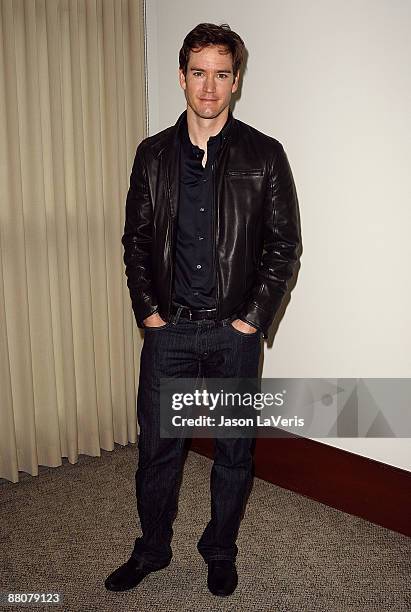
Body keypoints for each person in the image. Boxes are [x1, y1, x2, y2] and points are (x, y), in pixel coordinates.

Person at [105, 22, 301, 597]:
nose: (209, 88)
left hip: (234, 334)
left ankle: (219, 550)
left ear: (235, 81)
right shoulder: (152, 155)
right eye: (198, 74)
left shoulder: (265, 155)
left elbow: (282, 246)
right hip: (169, 334)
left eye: (221, 74)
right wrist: (149, 314)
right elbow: (135, 242)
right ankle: (153, 549)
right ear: (182, 78)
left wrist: (251, 321)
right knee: (159, 452)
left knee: (234, 454)